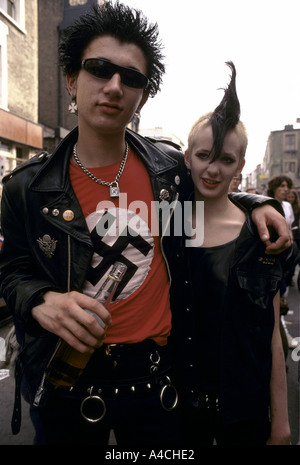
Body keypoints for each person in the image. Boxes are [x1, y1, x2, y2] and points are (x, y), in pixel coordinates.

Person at [0, 2, 292, 446]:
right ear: (72, 81)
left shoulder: (170, 172)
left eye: (132, 77)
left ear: (143, 96)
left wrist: (256, 202)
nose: (115, 86)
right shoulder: (27, 188)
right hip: (66, 384)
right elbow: (11, 270)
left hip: (157, 385)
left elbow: (212, 191)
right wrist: (40, 300)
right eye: (99, 69)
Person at [164, 62, 299, 445]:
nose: (212, 169)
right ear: (187, 157)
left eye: (226, 160)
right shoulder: (167, 224)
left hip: (244, 414)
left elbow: (271, 336)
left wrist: (281, 421)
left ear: (240, 165)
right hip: (174, 413)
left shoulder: (261, 236)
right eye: (204, 155)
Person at [267, 177, 299, 350]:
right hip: (273, 255)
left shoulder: (287, 206)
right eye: (282, 186)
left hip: (286, 255)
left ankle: (282, 331)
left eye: (287, 186)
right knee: (274, 294)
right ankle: (280, 333)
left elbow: (289, 230)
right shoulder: (267, 204)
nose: (286, 189)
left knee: (283, 292)